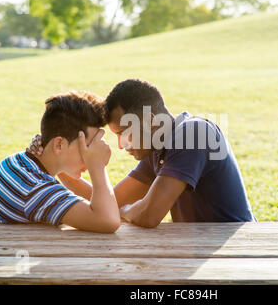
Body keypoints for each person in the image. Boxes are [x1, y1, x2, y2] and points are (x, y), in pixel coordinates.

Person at [29, 79, 256, 228]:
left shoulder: (193, 133)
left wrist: (126, 210)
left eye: (125, 133)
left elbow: (149, 215)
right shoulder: (157, 151)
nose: (121, 145)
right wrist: (58, 163)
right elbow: (109, 202)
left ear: (149, 120)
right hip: (198, 250)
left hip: (237, 251)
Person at [0, 91, 120, 233]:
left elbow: (98, 205)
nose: (90, 155)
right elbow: (108, 220)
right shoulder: (35, 189)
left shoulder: (23, 163)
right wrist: (97, 166)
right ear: (59, 144)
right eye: (87, 148)